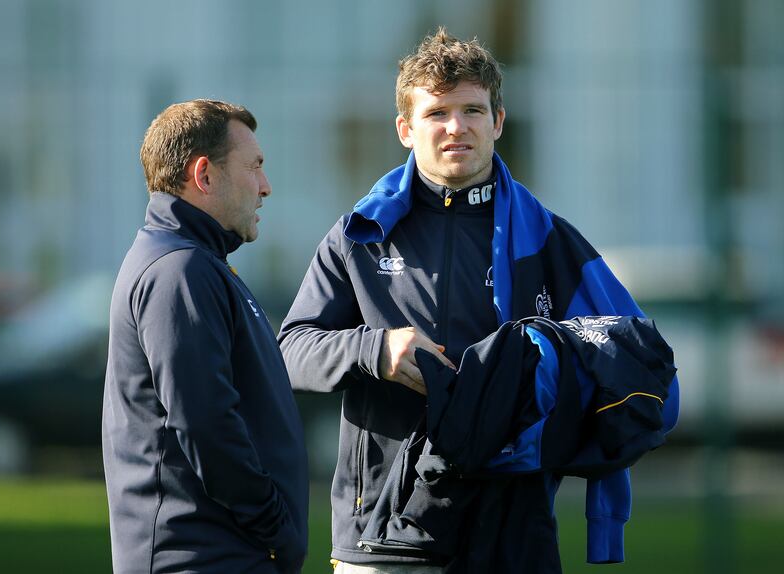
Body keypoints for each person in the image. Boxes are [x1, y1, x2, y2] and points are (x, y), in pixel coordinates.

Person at [279, 28, 678, 573]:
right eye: (437, 112)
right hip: (385, 527)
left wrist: (555, 397)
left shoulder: (548, 238)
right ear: (405, 129)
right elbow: (292, 349)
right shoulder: (359, 235)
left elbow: (644, 372)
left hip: (511, 527)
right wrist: (376, 351)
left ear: (498, 121)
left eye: (472, 109)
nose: (456, 127)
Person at [103, 99, 308, 574]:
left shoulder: (194, 263)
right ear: (204, 175)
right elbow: (205, 422)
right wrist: (275, 526)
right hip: (205, 559)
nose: (266, 186)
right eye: (254, 167)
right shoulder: (179, 270)